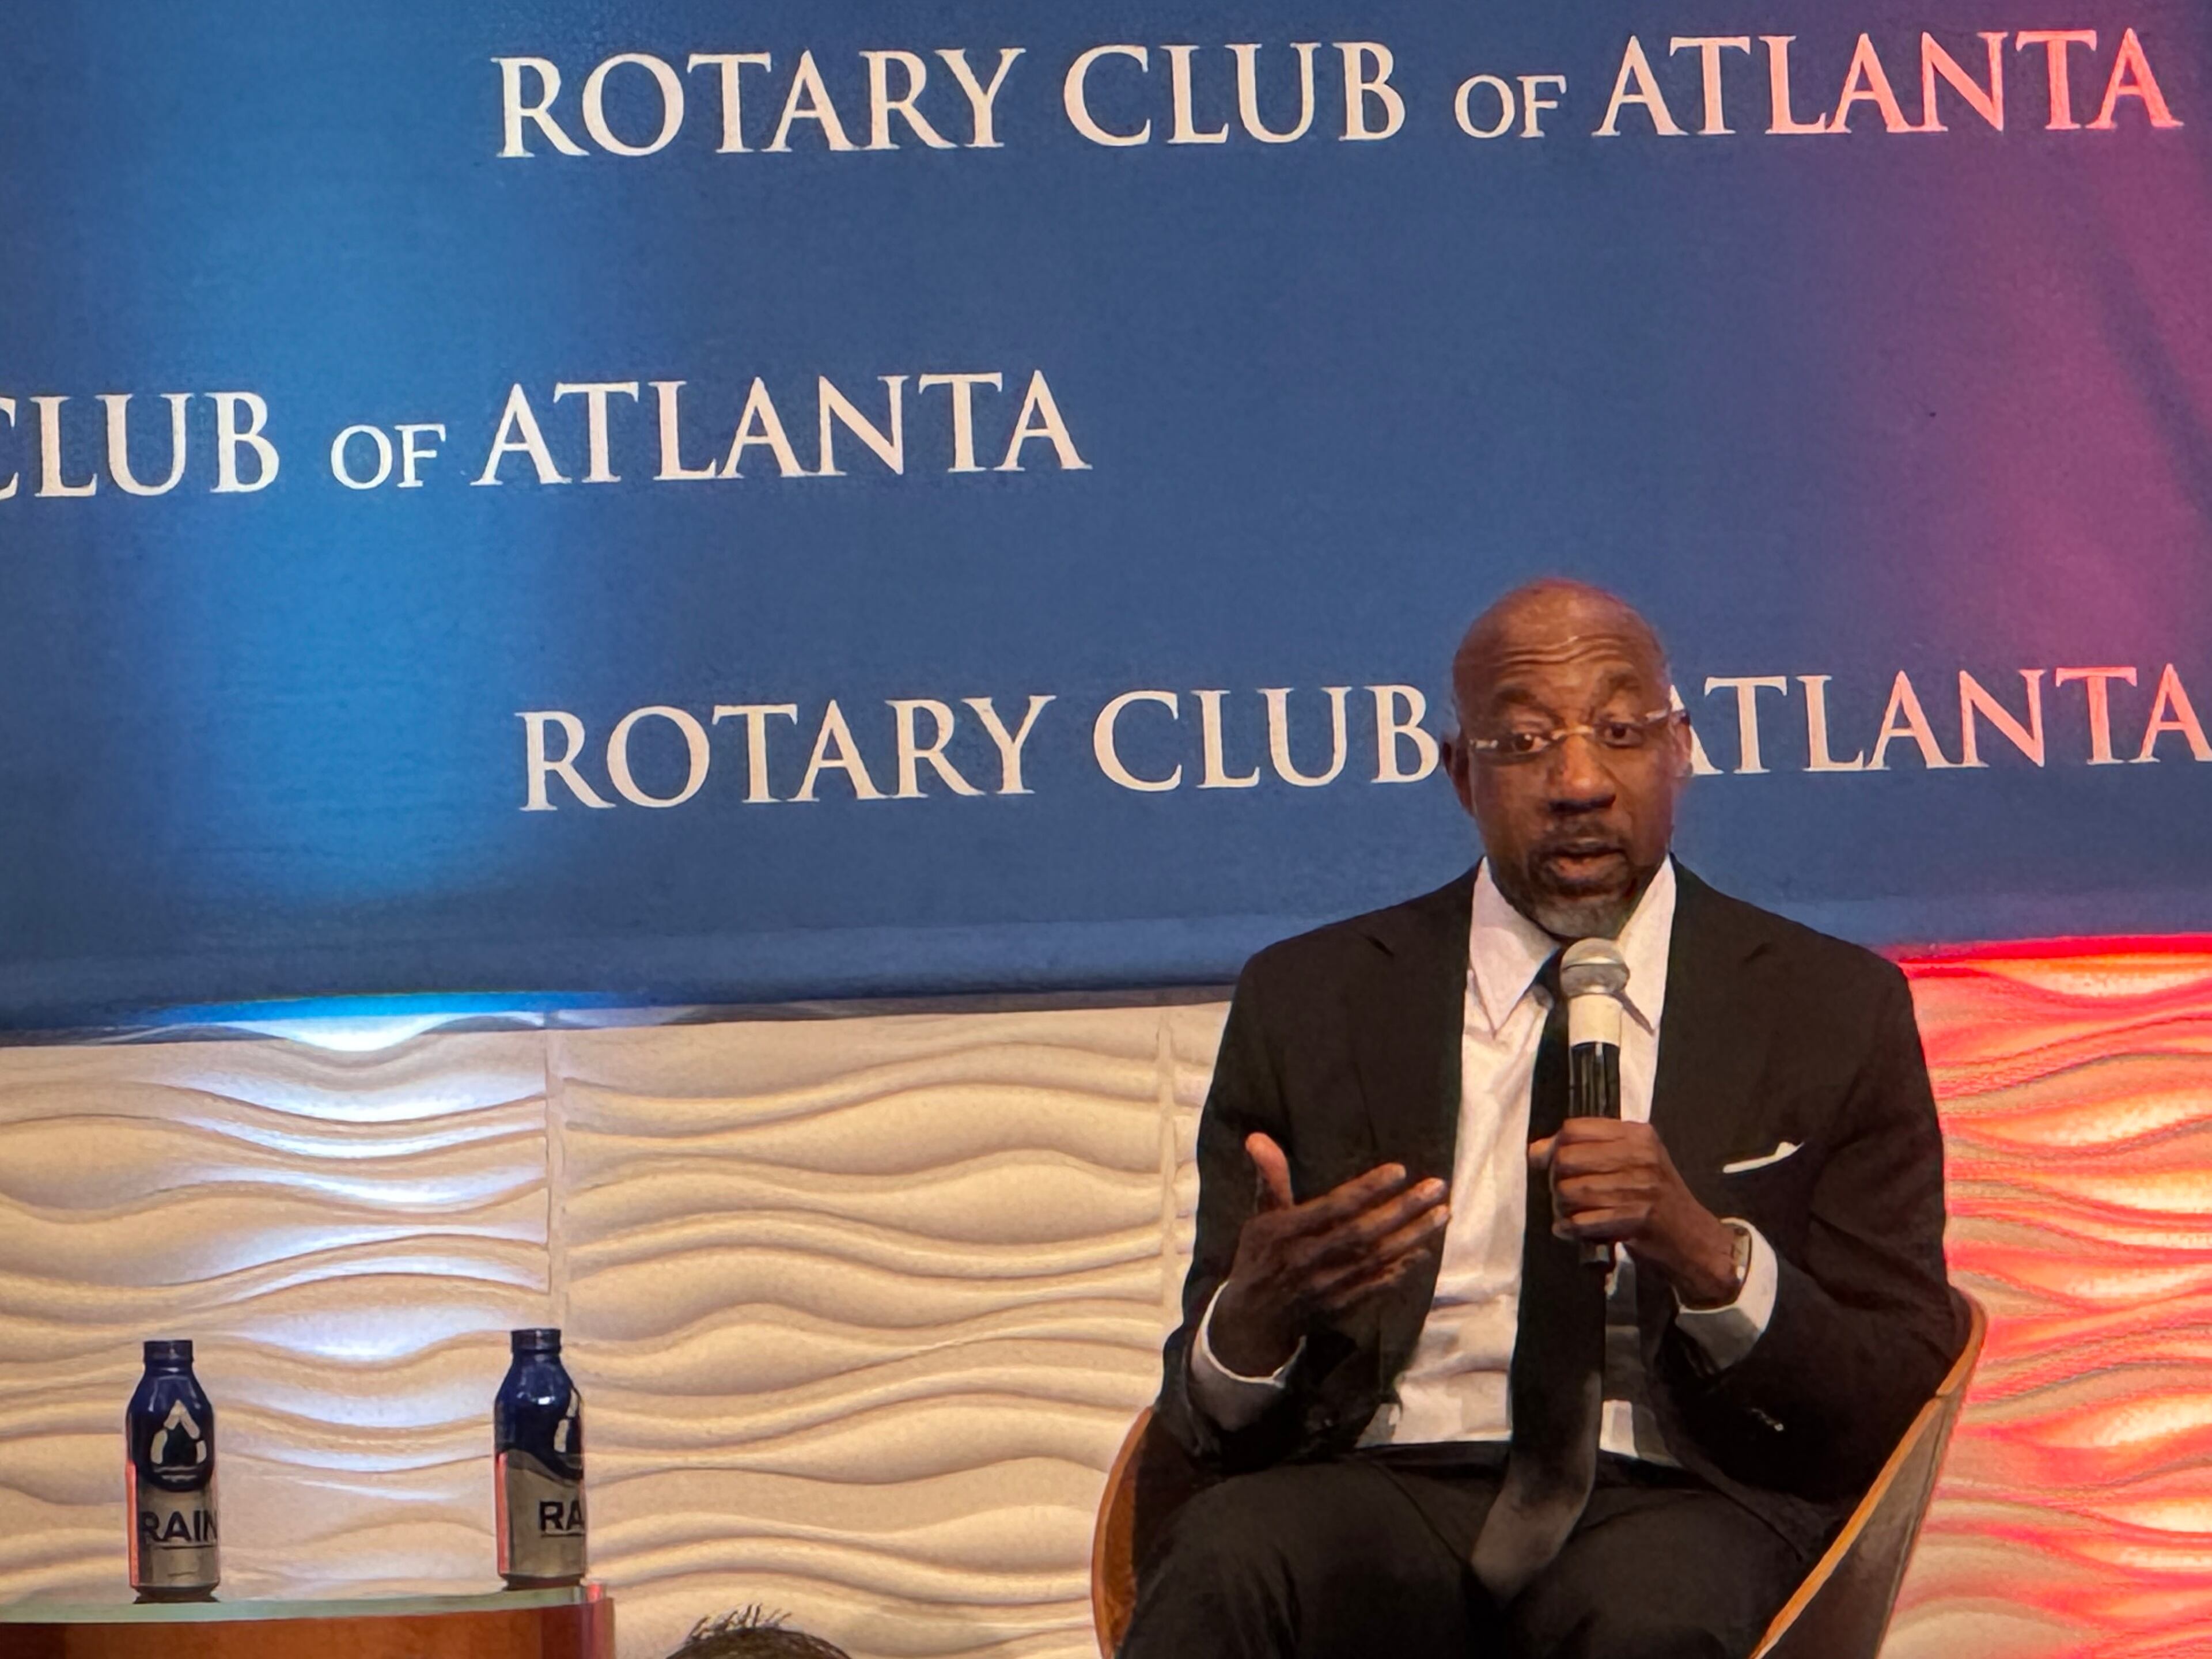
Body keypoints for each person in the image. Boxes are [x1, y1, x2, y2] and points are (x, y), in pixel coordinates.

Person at [1118, 579, 1967, 1659]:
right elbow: (1210, 1407)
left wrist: (1710, 1258)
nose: (1578, 783)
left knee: (1652, 1623)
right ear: (1462, 776)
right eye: (1523, 742)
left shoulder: (1829, 1007)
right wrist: (1254, 1318)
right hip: (1389, 1477)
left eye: (1620, 732)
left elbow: (1894, 1382)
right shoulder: (1313, 998)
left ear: (1680, 751)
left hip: (1680, 1490)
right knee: (1228, 1562)